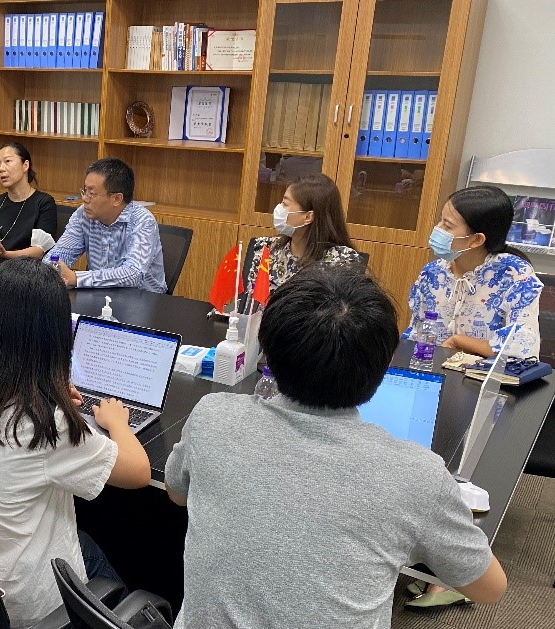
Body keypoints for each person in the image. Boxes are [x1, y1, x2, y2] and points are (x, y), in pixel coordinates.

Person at [165, 266, 507, 628]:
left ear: (267, 352)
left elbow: (176, 493)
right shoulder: (418, 475)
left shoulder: (213, 416)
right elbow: (490, 589)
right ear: (382, 367)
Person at [0, 257, 151, 629]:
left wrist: (49, 394)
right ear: (54, 339)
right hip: (21, 609)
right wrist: (117, 424)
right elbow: (138, 472)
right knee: (113, 567)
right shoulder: (44, 425)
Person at [406, 185, 542, 360]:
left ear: (477, 239)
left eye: (447, 225)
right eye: (441, 221)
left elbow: (523, 347)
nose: (438, 229)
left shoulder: (515, 275)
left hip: (483, 375)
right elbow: (414, 335)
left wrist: (459, 342)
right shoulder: (432, 273)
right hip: (431, 369)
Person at [48, 157, 166, 293]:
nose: (84, 198)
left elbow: (134, 273)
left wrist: (77, 278)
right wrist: (52, 268)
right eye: (85, 191)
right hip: (99, 294)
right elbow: (60, 253)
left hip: (143, 297)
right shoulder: (83, 214)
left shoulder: (142, 220)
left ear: (116, 199)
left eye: (91, 193)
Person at [245, 173, 362, 294]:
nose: (279, 208)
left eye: (285, 204)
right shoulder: (265, 248)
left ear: (308, 217)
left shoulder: (342, 261)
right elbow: (250, 298)